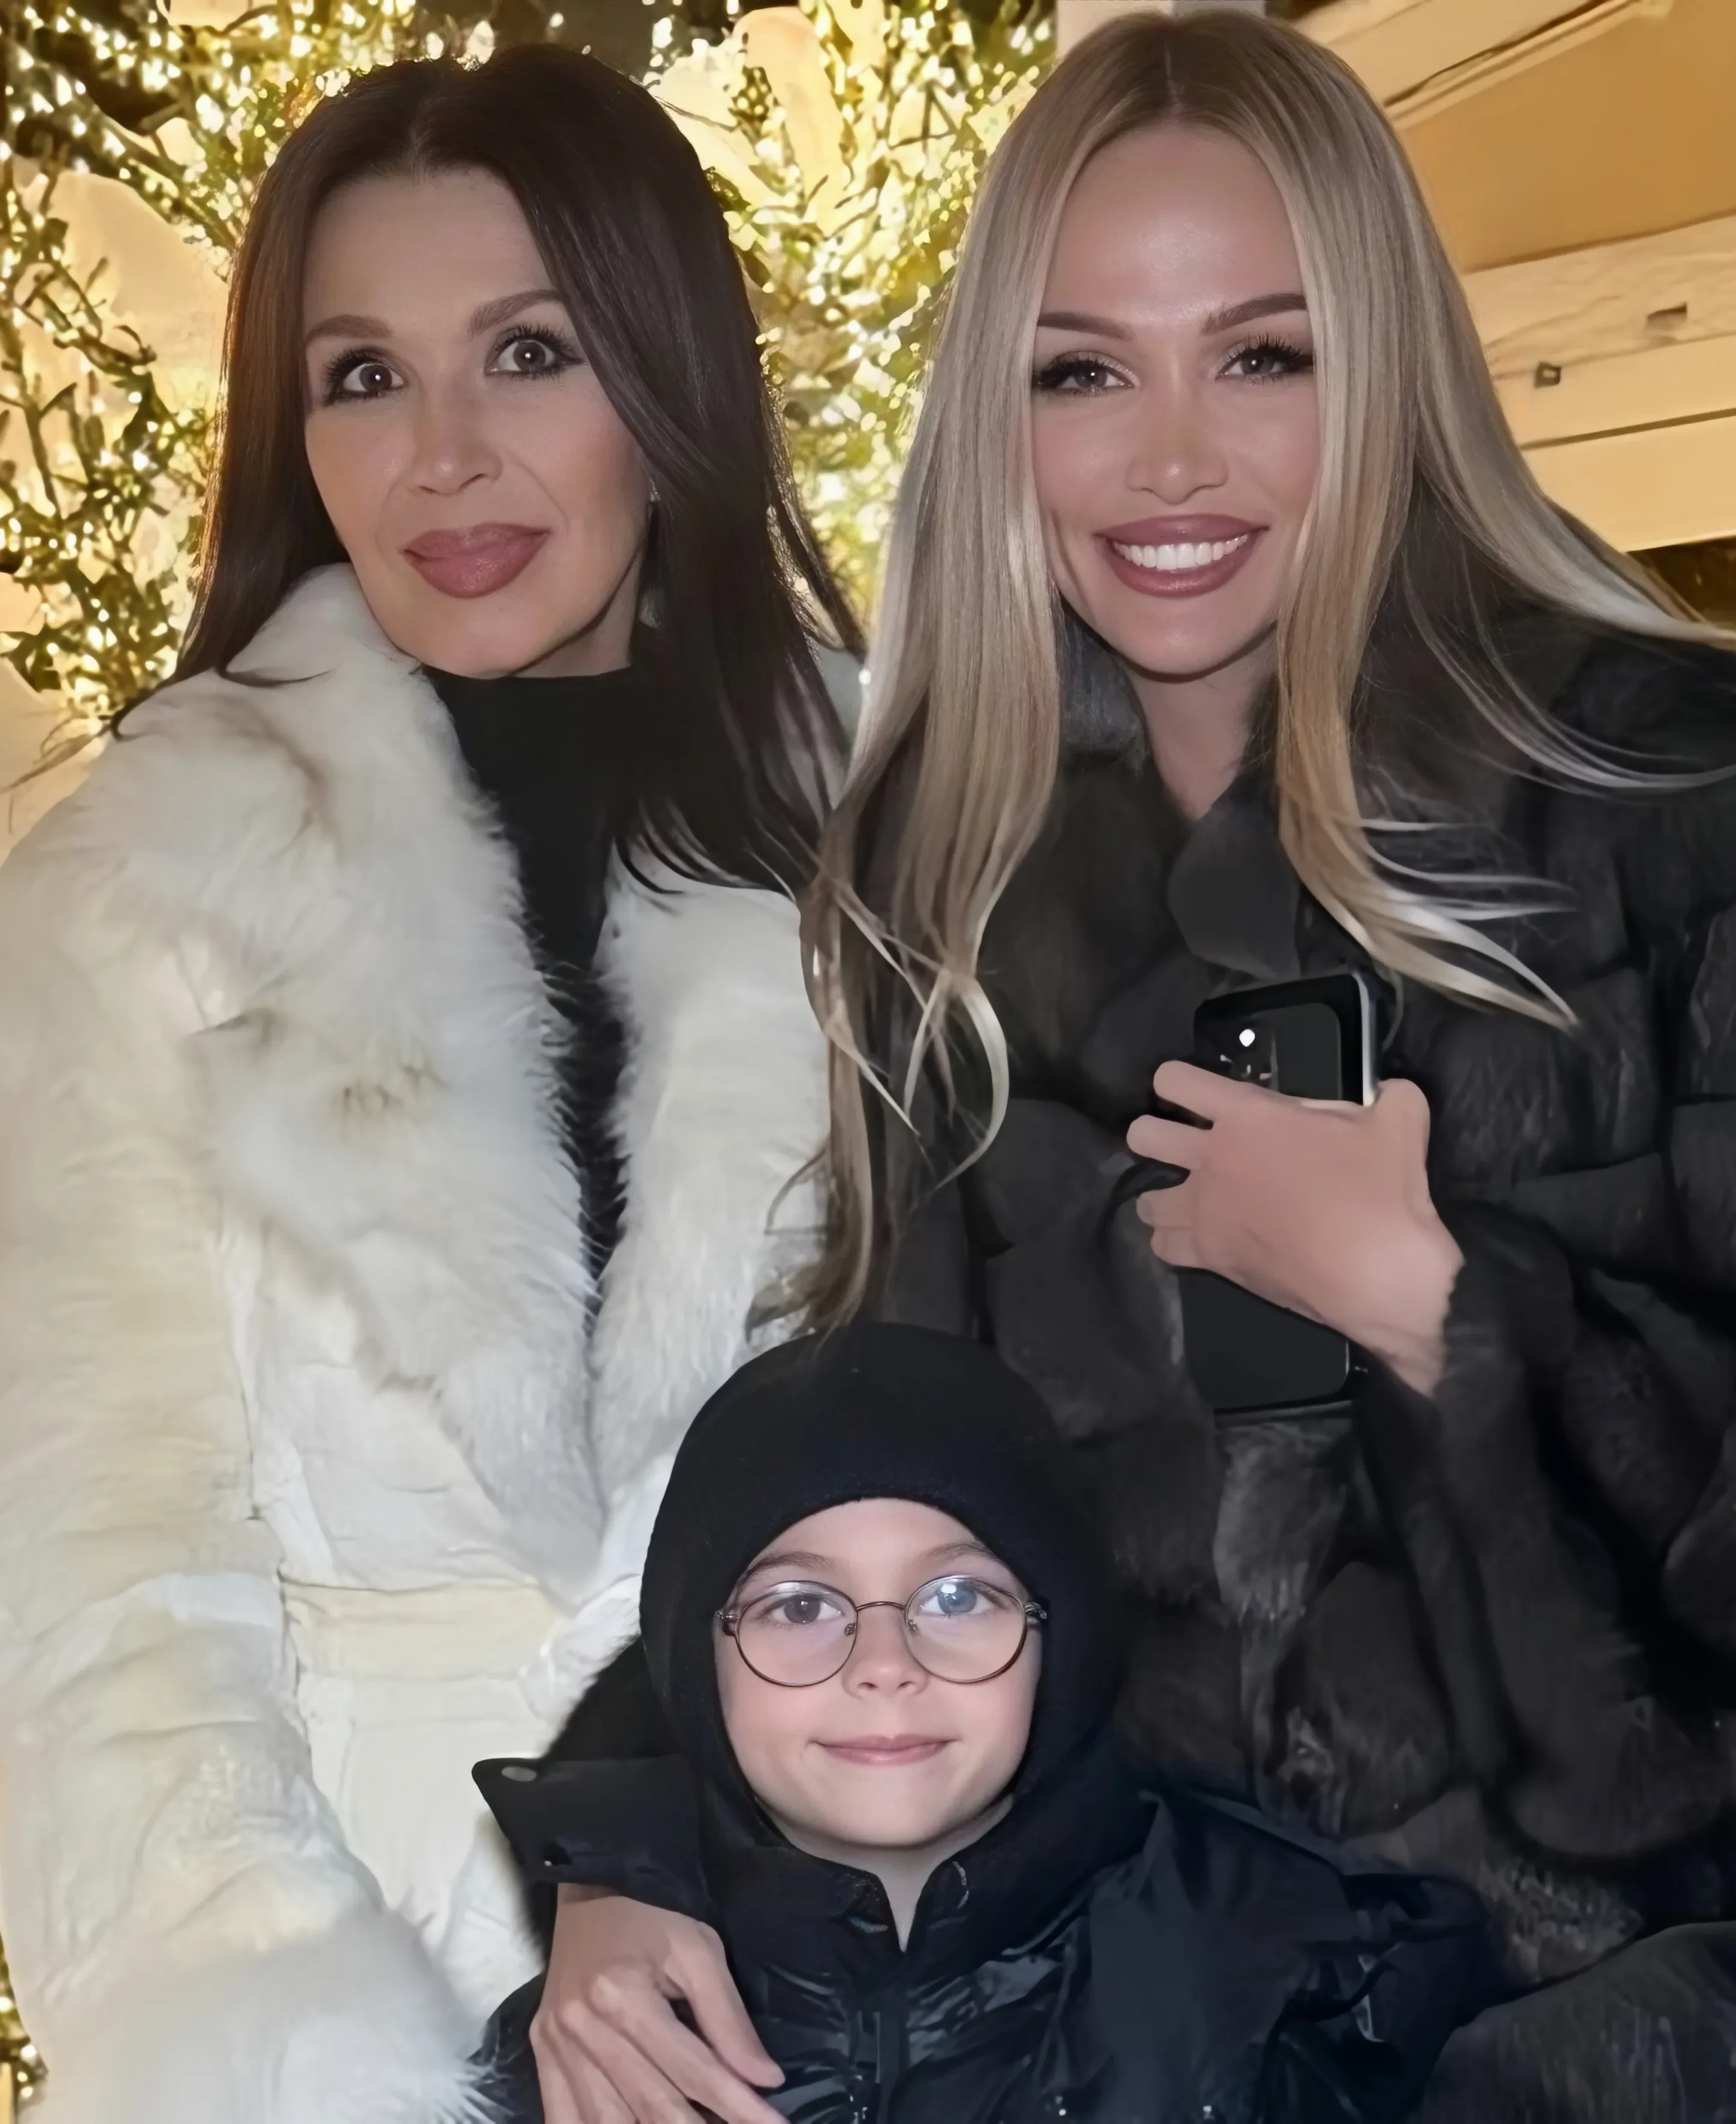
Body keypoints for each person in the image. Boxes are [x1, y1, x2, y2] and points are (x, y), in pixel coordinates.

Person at [532, 14, 1736, 2121]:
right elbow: (879, 1470)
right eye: (1082, 372)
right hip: (1152, 2042)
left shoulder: (1666, 795)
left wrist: (1442, 1312)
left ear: (1387, 370)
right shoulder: (945, 889)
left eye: (1261, 356)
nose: (1169, 460)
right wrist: (627, 1848)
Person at [0, 44, 858, 2124]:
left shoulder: (902, 838)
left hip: (857, 1977)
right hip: (362, 1972)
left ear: (668, 380)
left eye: (529, 353)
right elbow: (99, 1596)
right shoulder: (131, 893)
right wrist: (324, 2065)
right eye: (363, 376)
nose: (444, 458)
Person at [474, 1323, 1495, 2124]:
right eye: (800, 1605)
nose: (884, 1665)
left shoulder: (1299, 1978)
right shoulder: (582, 2051)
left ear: (1062, 1635)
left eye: (958, 1598)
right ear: (696, 1666)